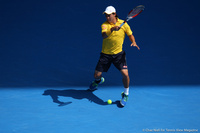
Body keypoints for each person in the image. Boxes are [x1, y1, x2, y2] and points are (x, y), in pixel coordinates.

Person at [89, 6, 140, 106]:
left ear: (114, 14)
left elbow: (130, 34)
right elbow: (104, 35)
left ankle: (126, 94)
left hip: (119, 55)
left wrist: (133, 41)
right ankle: (99, 81)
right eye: (106, 15)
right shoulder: (104, 25)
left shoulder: (124, 24)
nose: (107, 17)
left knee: (125, 75)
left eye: (109, 15)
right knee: (96, 75)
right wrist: (112, 29)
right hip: (105, 55)